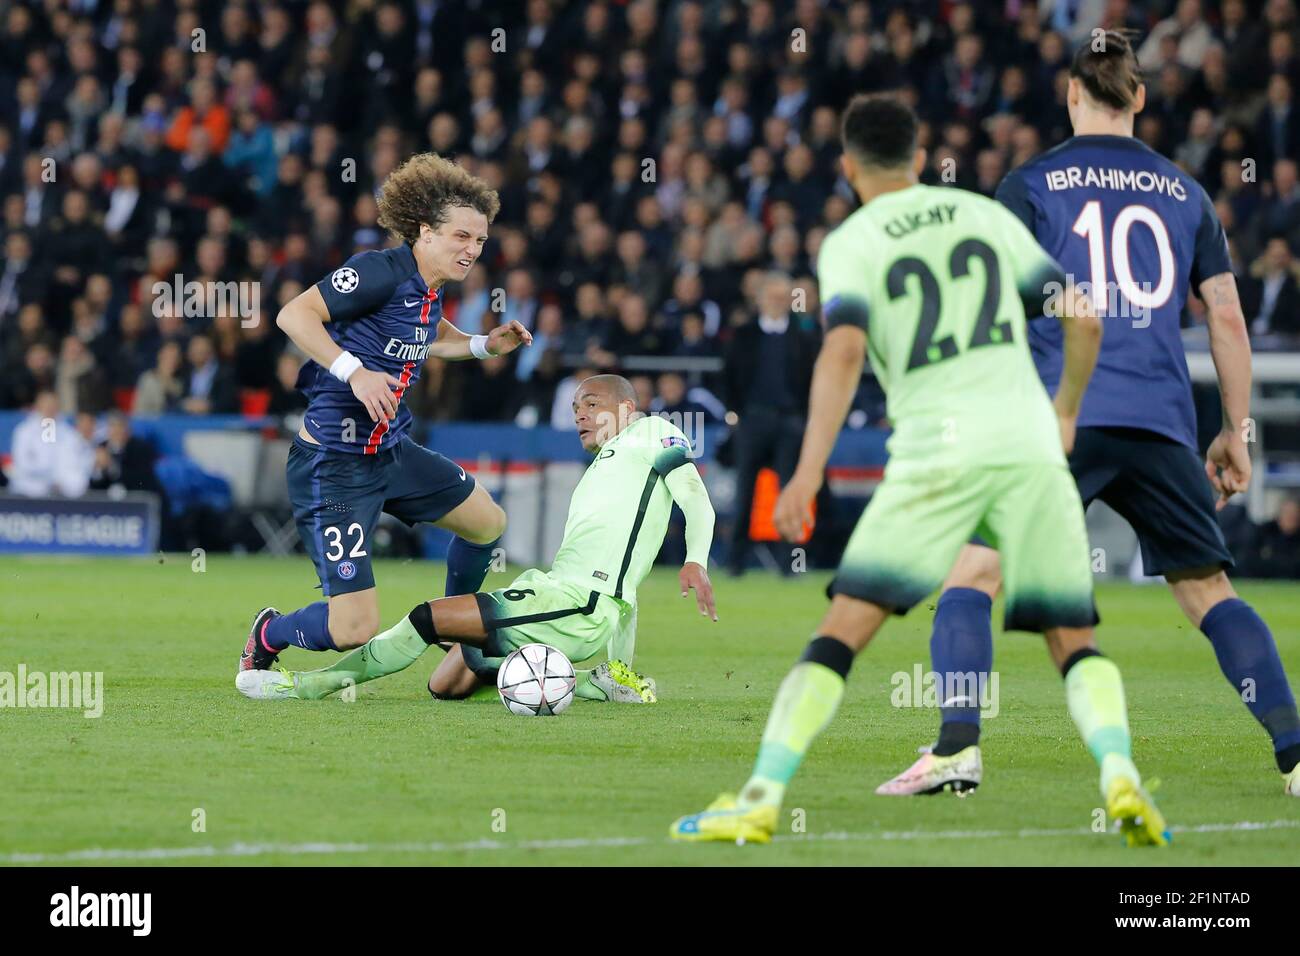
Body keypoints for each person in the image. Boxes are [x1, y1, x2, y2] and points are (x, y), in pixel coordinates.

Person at [670, 93, 1170, 847]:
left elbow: (841, 351)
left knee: (843, 631)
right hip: (1030, 443)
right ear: (917, 153)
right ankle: (1121, 778)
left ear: (845, 167)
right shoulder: (984, 215)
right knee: (1074, 635)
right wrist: (1064, 410)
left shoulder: (853, 240)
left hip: (939, 447)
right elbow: (1085, 316)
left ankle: (763, 797)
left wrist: (805, 474)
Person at [878, 31, 1300, 800]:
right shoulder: (1188, 192)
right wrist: (1234, 433)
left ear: (1072, 96)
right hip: (1161, 421)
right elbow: (1228, 318)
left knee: (972, 574)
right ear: (1138, 98)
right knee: (1209, 594)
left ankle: (956, 749)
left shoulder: (1030, 183)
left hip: (1061, 419)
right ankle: (1296, 753)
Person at [236, 374, 717, 706]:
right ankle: (585, 682)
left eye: (592, 405)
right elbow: (624, 590)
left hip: (575, 606)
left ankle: (303, 686)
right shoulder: (605, 468)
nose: (580, 415)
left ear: (627, 409)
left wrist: (696, 560)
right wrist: (618, 667)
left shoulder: (654, 432)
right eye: (575, 408)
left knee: (427, 618)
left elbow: (696, 499)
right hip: (555, 594)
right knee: (446, 683)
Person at [238, 153, 532, 676]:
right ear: (425, 231)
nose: (472, 250)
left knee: (487, 523)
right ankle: (270, 631)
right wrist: (355, 371)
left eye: (480, 241)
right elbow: (294, 314)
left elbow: (431, 335)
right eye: (462, 237)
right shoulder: (378, 269)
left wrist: (486, 345)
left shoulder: (429, 289)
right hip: (335, 464)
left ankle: (453, 628)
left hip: (389, 452)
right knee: (353, 629)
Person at [722, 271, 821, 575]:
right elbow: (728, 376)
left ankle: (790, 564)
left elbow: (812, 380)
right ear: (760, 298)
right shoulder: (744, 334)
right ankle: (735, 564)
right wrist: (736, 414)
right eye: (773, 296)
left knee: (790, 495)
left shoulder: (803, 336)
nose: (778, 302)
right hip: (753, 422)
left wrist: (803, 417)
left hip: (790, 423)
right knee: (745, 494)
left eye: (783, 297)